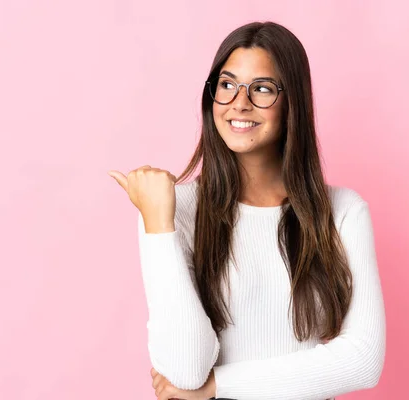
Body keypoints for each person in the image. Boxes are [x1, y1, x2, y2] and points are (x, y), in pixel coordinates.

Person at [109, 21, 386, 400]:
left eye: (262, 88)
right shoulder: (173, 210)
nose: (240, 102)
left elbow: (363, 361)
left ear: (292, 104)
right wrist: (158, 225)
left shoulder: (342, 212)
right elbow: (186, 369)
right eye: (227, 85)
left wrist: (219, 385)